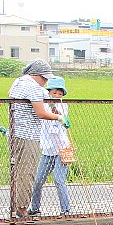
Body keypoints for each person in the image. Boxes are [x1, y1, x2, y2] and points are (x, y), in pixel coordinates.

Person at [8, 59, 69, 220]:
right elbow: (41, 112)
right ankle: (22, 209)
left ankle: (17, 207)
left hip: (17, 133)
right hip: (28, 135)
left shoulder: (19, 82)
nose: (46, 82)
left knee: (18, 171)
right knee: (28, 173)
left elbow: (46, 97)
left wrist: (56, 110)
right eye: (45, 78)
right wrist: (58, 117)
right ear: (37, 75)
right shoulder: (32, 87)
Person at [28, 77, 72, 217]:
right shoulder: (42, 105)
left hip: (62, 148)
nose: (57, 96)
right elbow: (43, 115)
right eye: (54, 93)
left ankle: (65, 210)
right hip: (48, 149)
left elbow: (58, 118)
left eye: (60, 94)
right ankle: (34, 208)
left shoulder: (63, 106)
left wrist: (58, 115)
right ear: (49, 92)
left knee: (59, 179)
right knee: (38, 181)